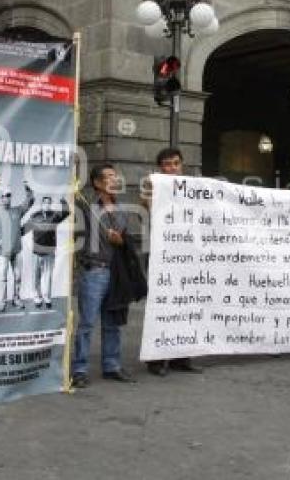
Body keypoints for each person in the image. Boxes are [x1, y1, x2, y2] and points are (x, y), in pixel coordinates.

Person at [71, 164, 135, 388]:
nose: (114, 179)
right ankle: (79, 369)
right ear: (97, 183)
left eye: (116, 176)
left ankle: (112, 365)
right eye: (109, 177)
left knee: (112, 322)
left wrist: (122, 241)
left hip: (115, 272)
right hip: (93, 272)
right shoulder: (86, 206)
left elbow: (127, 243)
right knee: (87, 323)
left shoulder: (123, 211)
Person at [141, 147, 201, 376]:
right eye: (167, 164)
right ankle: (155, 360)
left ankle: (180, 357)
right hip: (161, 256)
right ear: (160, 167)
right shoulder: (152, 186)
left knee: (186, 306)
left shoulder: (193, 188)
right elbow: (146, 206)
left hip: (187, 256)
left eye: (176, 163)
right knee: (161, 306)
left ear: (182, 165)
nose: (172, 168)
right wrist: (154, 187)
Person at [0, 182, 34, 311]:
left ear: (11, 197)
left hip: (17, 250)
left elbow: (30, 201)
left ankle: (16, 298)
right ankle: (2, 301)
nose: (6, 198)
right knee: (3, 278)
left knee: (18, 276)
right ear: (0, 198)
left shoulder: (17, 210)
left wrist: (28, 189)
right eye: (3, 196)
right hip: (3, 252)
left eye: (8, 195)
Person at [22, 196, 71, 309]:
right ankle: (37, 297)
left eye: (49, 203)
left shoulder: (55, 215)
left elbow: (67, 212)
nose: (47, 205)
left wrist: (63, 200)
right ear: (42, 204)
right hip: (36, 251)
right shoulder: (35, 216)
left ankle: (47, 298)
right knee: (36, 276)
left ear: (50, 204)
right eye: (45, 203)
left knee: (48, 276)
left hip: (49, 251)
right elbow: (24, 229)